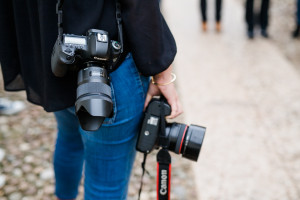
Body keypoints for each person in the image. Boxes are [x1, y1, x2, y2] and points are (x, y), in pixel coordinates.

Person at [0, 1, 182, 199]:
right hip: (110, 67)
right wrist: (162, 74)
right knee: (105, 183)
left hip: (54, 55)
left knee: (69, 138)